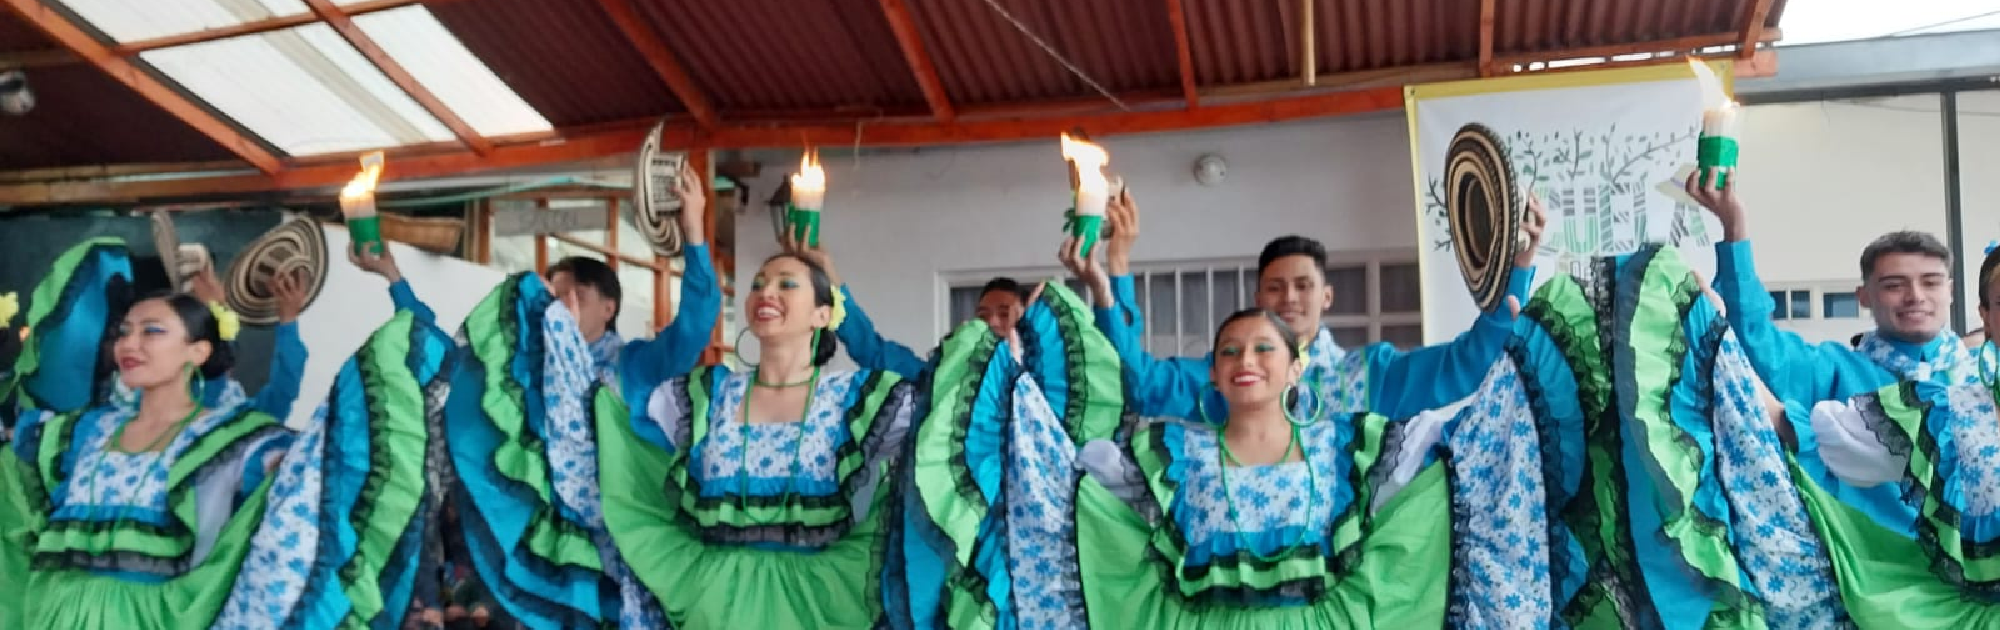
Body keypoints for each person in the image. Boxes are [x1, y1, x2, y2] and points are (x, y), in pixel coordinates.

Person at [900, 283, 1559, 628]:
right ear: (1212, 376)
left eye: (1264, 349)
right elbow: (1072, 505)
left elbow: (1459, 462)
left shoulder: (1349, 450)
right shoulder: (1168, 460)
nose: (1246, 361)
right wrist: (1020, 383)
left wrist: (1514, 293)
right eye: (1230, 352)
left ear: (1296, 368)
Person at [0, 238, 452, 629]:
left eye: (151, 332)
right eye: (124, 332)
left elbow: (314, 466)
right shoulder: (73, 433)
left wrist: (392, 279)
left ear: (196, 352)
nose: (129, 344)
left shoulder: (232, 438)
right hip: (52, 613)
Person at [445, 168, 717, 629]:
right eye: (555, 293)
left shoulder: (634, 365)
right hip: (556, 548)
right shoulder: (530, 378)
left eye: (577, 293)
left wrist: (694, 230)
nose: (563, 302)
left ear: (608, 308)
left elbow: (694, 325)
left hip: (625, 539)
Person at [594, 252, 918, 628]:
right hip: (716, 603)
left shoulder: (856, 399)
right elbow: (625, 410)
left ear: (822, 315)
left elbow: (942, 410)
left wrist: (996, 381)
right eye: (758, 284)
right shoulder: (706, 394)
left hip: (823, 602)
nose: (767, 292)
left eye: (787, 283)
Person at [1067, 191, 1543, 422]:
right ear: (1258, 300)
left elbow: (1467, 365)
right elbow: (1141, 384)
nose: (1289, 298)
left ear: (1327, 297)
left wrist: (1518, 266)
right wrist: (1113, 278)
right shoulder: (1227, 378)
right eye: (1275, 288)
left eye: (1302, 286)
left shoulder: (1369, 375)